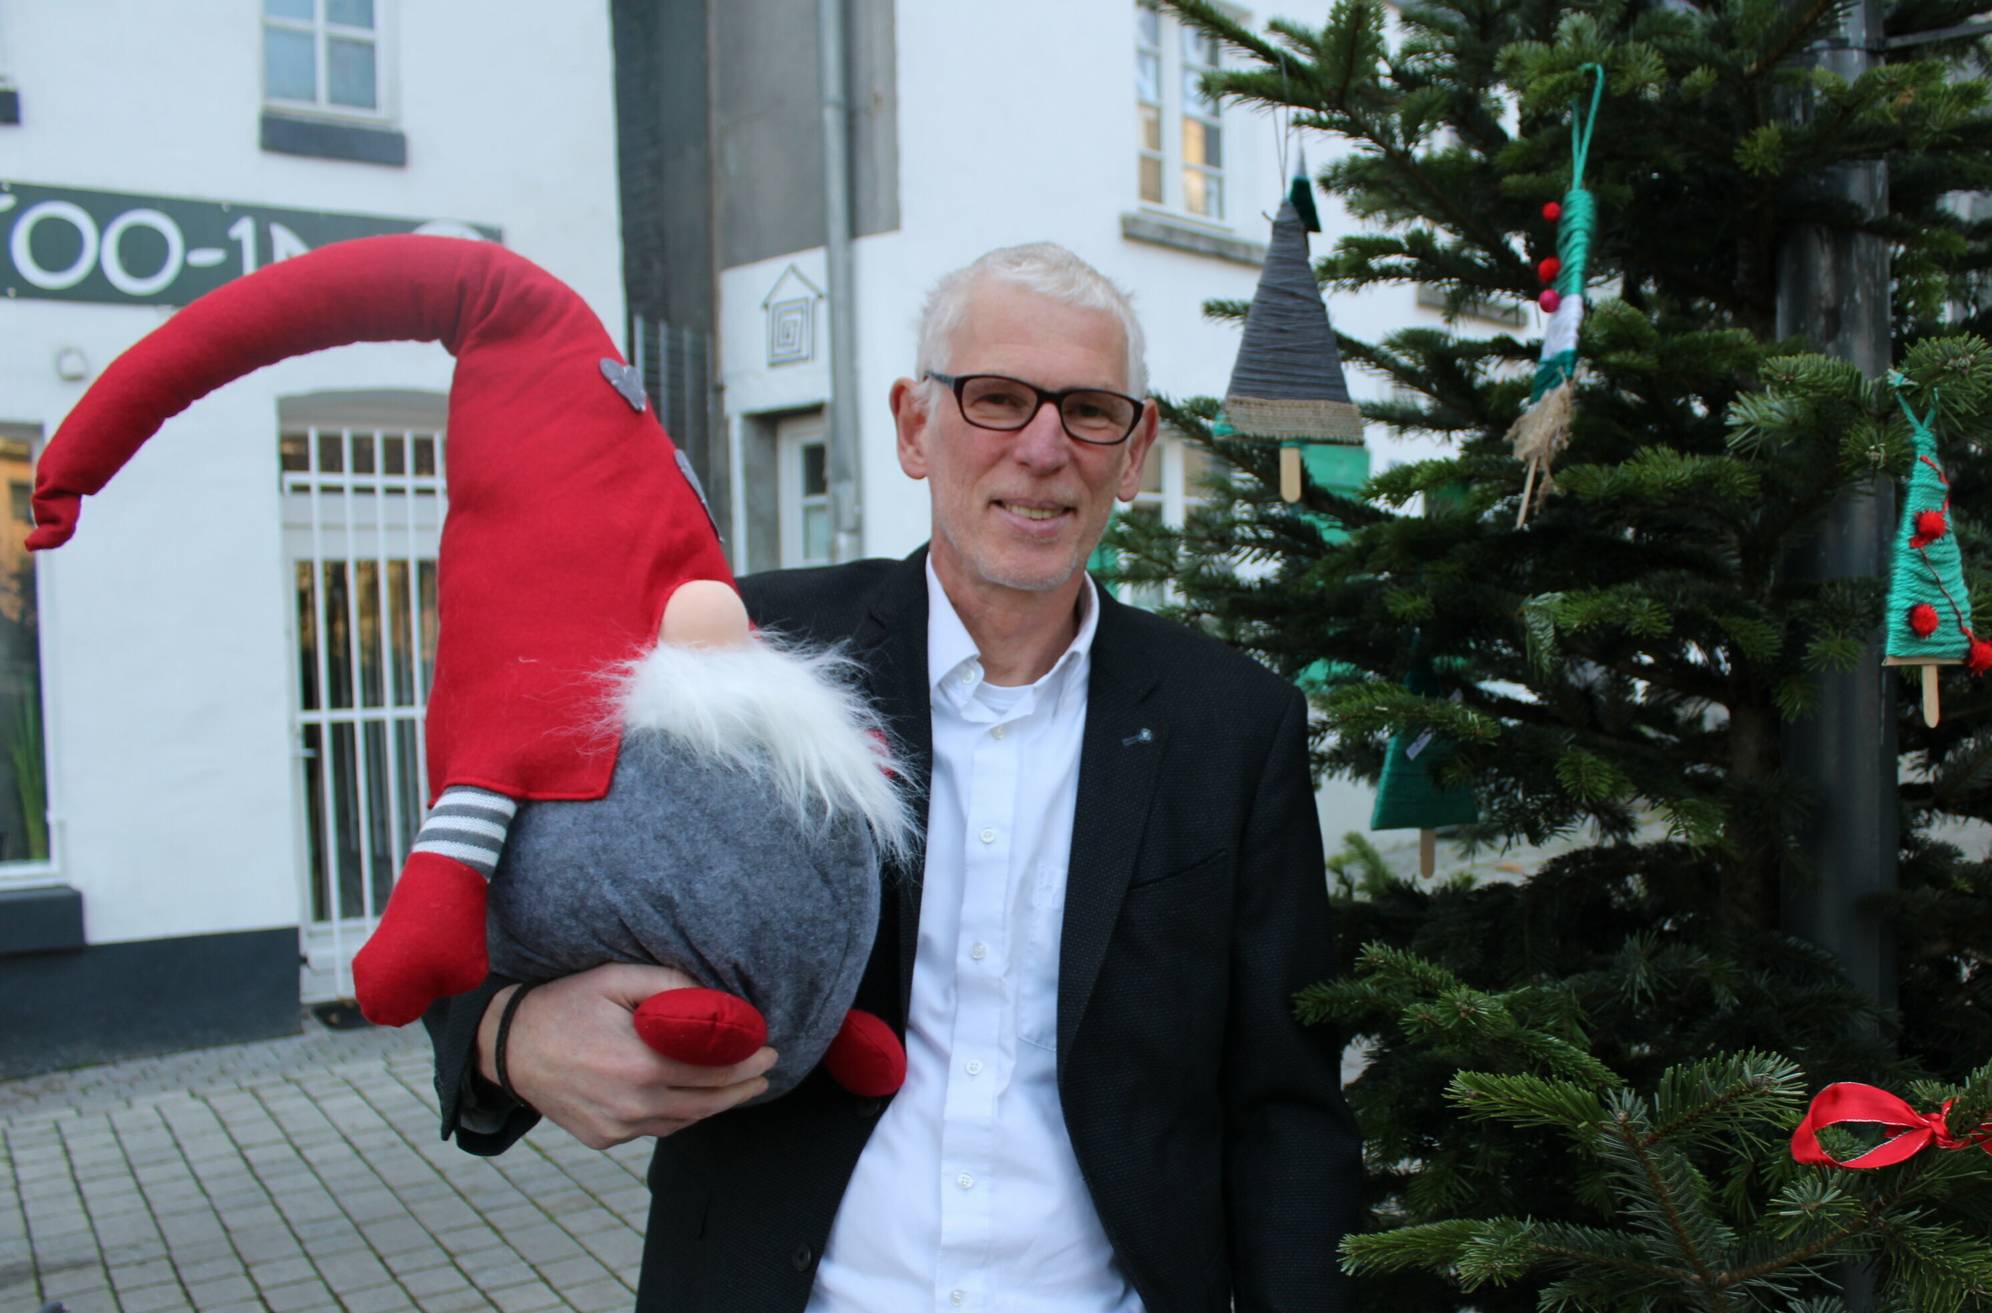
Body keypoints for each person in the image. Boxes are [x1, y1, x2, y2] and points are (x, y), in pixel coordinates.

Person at [424, 242, 1359, 1312]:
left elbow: (1285, 1108)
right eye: (998, 399)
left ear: (1135, 449)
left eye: (1091, 410)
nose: (1045, 448)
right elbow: (490, 867)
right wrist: (509, 1036)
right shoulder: (746, 650)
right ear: (916, 425)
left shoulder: (1231, 724)